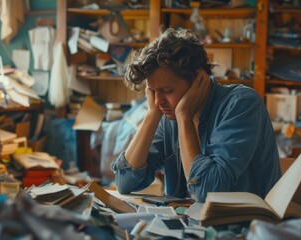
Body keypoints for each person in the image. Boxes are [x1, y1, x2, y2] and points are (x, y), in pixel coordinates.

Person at [111, 28, 281, 203]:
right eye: (153, 92)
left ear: (197, 79)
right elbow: (124, 183)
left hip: (245, 226)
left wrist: (184, 116)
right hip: (187, 225)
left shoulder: (241, 104)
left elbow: (207, 192)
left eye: (167, 90)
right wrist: (151, 116)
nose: (158, 101)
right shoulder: (167, 115)